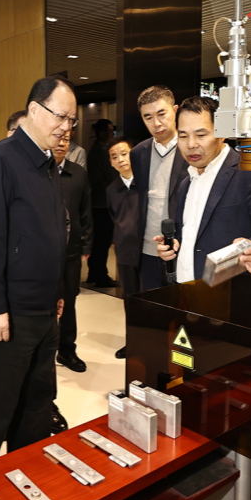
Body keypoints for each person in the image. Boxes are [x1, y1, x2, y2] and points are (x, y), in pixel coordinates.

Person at [0, 76, 73, 468]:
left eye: (72, 120)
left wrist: (57, 293)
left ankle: (23, 480)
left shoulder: (48, 165)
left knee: (36, 406)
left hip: (44, 311)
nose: (66, 127)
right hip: (8, 312)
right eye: (60, 117)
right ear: (34, 110)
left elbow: (51, 236)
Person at [155, 96, 251, 283]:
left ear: (222, 133)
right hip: (188, 289)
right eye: (183, 136)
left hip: (235, 292)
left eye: (201, 135)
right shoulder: (186, 182)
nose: (191, 144)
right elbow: (190, 236)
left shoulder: (249, 172)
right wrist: (172, 247)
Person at [131, 86, 189, 291]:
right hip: (147, 251)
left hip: (182, 249)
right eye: (148, 117)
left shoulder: (191, 148)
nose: (156, 123)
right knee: (151, 308)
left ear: (175, 110)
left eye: (161, 114)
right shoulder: (138, 152)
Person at [54, 131, 93, 373]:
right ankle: (41, 351)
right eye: (58, 138)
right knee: (43, 301)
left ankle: (67, 350)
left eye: (66, 140)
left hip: (71, 251)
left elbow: (86, 211)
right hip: (43, 253)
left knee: (69, 300)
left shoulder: (78, 173)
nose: (61, 143)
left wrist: (86, 244)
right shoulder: (37, 172)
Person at [106, 136, 139, 359]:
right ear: (111, 162)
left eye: (124, 154)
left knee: (152, 299)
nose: (120, 159)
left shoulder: (147, 182)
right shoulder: (112, 190)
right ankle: (133, 342)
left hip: (149, 252)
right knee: (130, 299)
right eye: (114, 157)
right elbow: (114, 218)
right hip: (125, 252)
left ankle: (154, 341)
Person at [86, 118, 118, 288]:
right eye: (110, 131)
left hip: (97, 201)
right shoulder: (102, 151)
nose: (112, 134)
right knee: (102, 242)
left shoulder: (95, 149)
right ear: (102, 133)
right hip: (103, 203)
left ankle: (93, 273)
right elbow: (111, 176)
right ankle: (101, 276)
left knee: (98, 241)